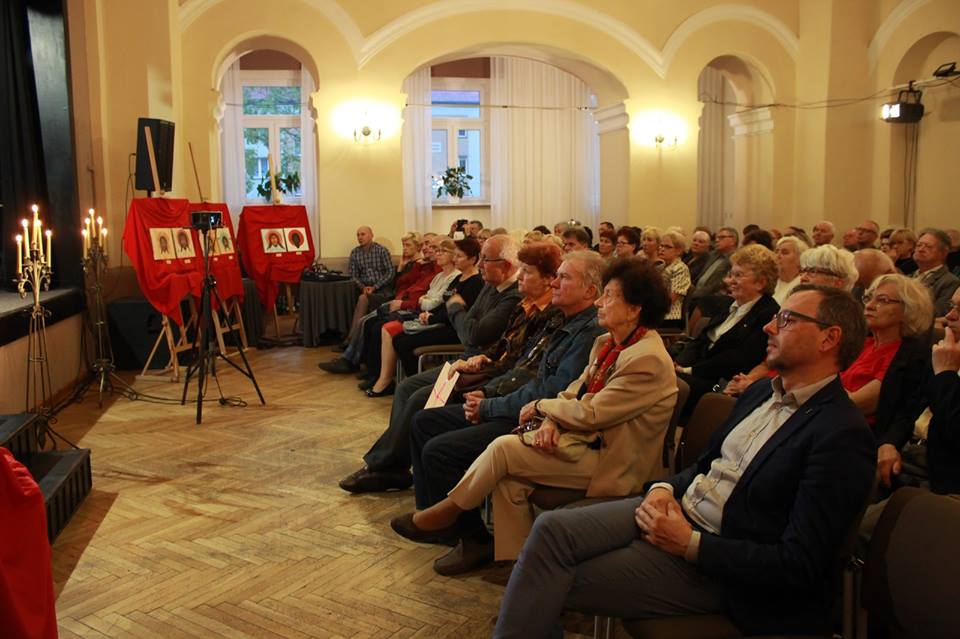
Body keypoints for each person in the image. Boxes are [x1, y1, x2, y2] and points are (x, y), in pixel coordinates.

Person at [493, 285, 875, 638]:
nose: (769, 326)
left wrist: (689, 544)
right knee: (551, 530)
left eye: (787, 319)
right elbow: (704, 466)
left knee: (545, 576)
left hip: (720, 567)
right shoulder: (761, 393)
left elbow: (799, 562)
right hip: (677, 510)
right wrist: (662, 488)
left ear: (829, 338)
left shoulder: (841, 434)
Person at [392, 259, 676, 572]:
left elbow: (593, 412)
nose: (599, 302)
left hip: (615, 461)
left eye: (608, 296)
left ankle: (448, 510)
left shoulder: (646, 359)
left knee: (504, 448)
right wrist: (551, 420)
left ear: (634, 309)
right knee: (509, 480)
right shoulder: (608, 343)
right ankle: (520, 568)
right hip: (585, 441)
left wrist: (541, 408)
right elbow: (574, 392)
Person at [338, 235, 523, 493]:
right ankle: (394, 465)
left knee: (418, 398)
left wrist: (457, 310)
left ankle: (384, 466)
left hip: (479, 368)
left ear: (505, 266)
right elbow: (469, 329)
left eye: (485, 260)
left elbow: (472, 333)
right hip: (465, 360)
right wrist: (463, 317)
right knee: (406, 387)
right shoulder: (491, 286)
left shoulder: (512, 296)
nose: (480, 265)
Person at [365, 238, 482, 396]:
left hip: (456, 330)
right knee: (398, 338)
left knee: (403, 343)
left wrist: (431, 318)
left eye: (459, 256)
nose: (455, 259)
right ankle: (413, 382)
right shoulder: (458, 279)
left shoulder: (475, 283)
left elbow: (456, 311)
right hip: (441, 322)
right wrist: (430, 314)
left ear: (472, 259)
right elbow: (445, 303)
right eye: (455, 255)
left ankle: (417, 386)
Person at [673, 244, 780, 414]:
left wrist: (688, 370)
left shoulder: (768, 314)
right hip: (696, 372)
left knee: (664, 381)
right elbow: (702, 339)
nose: (728, 281)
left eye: (738, 275)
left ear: (760, 283)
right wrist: (680, 362)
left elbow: (739, 359)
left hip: (719, 384)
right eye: (731, 274)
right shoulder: (731, 304)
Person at [319, 236, 444, 375]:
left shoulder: (434, 270)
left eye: (432, 247)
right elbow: (402, 284)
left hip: (399, 300)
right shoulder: (422, 266)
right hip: (399, 298)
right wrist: (402, 268)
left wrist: (381, 289)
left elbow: (416, 292)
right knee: (366, 318)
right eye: (426, 245)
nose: (426, 248)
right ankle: (354, 360)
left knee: (372, 322)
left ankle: (359, 363)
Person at [345, 226, 395, 347]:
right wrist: (362, 287)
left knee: (363, 298)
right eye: (358, 235)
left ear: (371, 235)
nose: (360, 237)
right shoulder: (355, 253)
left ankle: (351, 340)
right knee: (358, 296)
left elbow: (390, 272)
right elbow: (353, 275)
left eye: (363, 234)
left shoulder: (382, 250)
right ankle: (352, 339)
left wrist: (375, 287)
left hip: (382, 289)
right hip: (363, 288)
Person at [686, 226, 739, 319]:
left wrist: (693, 294)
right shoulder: (713, 255)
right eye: (716, 238)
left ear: (733, 241)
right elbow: (700, 275)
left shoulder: (735, 259)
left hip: (710, 296)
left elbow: (718, 284)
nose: (717, 240)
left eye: (721, 237)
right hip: (697, 292)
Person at [912, 228, 960, 318]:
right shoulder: (908, 276)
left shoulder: (950, 281)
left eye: (928, 246)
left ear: (943, 253)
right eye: (919, 245)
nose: (921, 249)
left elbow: (938, 312)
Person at [658, 230, 691, 328]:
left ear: (679, 251)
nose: (662, 249)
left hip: (670, 316)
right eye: (661, 245)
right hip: (659, 312)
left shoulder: (681, 268)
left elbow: (671, 298)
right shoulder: (660, 267)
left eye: (667, 247)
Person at [773, 235, 808, 306]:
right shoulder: (772, 281)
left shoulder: (801, 285)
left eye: (785, 253)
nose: (778, 256)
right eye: (776, 252)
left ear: (799, 259)